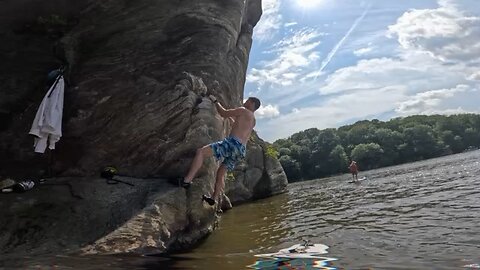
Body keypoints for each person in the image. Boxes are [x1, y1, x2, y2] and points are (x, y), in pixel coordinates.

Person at [180, 95, 261, 206]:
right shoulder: (253, 120)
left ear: (252, 103)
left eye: (247, 101)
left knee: (201, 152)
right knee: (221, 173)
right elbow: (238, 126)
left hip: (233, 144)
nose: (245, 102)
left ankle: (186, 181)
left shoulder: (243, 110)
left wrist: (215, 101)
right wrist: (230, 119)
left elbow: (223, 112)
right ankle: (214, 198)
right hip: (240, 150)